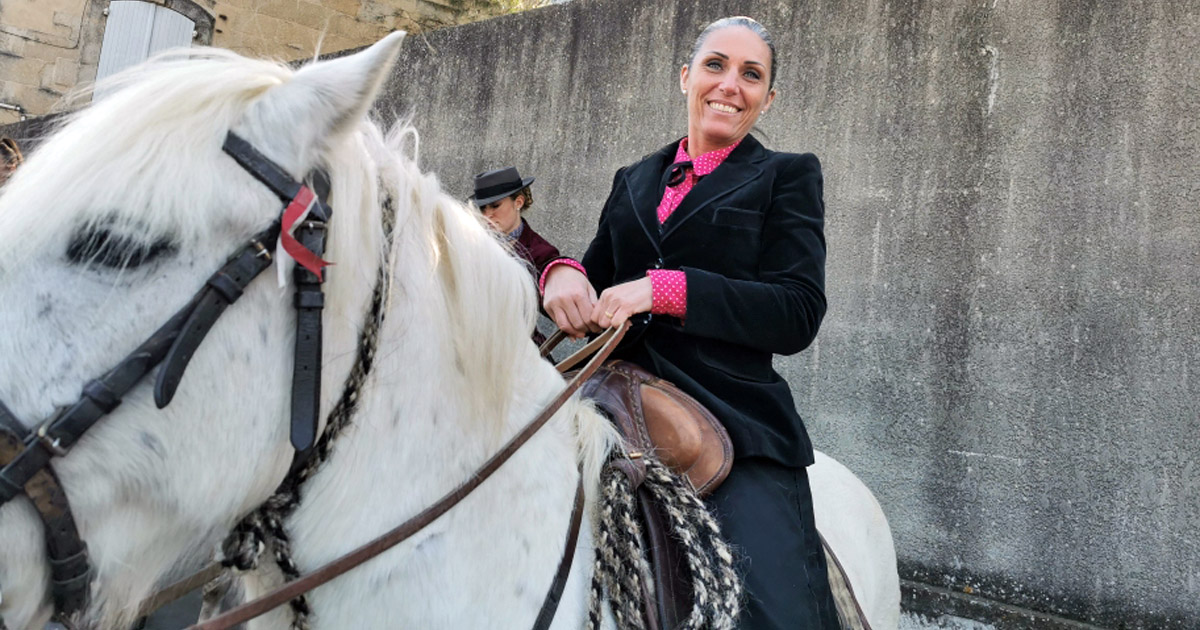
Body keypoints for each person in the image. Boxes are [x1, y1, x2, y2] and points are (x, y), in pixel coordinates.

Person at [541, 16, 839, 630]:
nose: (730, 84)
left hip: (732, 416)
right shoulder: (633, 180)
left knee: (782, 615)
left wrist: (664, 289)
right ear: (685, 77)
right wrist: (561, 275)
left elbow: (797, 310)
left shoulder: (787, 175)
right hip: (612, 397)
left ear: (768, 97)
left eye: (751, 75)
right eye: (715, 65)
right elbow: (593, 278)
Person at [472, 166, 563, 344]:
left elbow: (556, 302)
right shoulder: (469, 244)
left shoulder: (541, 252)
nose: (487, 215)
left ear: (518, 202)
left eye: (495, 206)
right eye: (482, 208)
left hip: (519, 351)